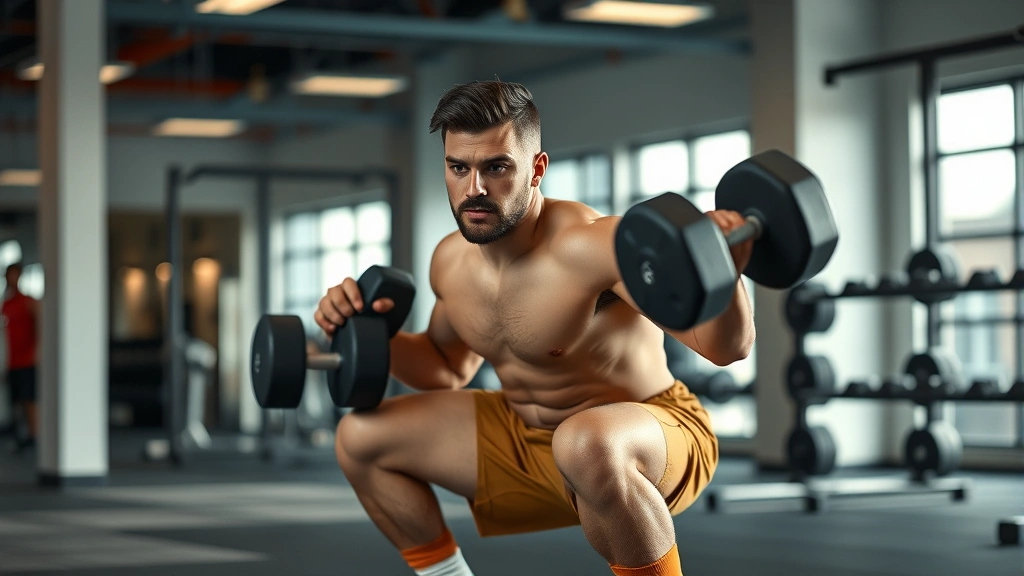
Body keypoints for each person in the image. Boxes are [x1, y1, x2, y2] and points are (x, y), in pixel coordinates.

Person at [315, 81, 755, 576]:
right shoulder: (450, 262)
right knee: (359, 437)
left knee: (584, 442)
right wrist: (361, 332)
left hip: (641, 439)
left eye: (495, 167)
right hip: (524, 438)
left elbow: (726, 348)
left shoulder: (594, 246)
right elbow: (445, 369)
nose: (474, 188)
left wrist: (727, 273)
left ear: (536, 169)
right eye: (458, 167)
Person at [2, 262, 39, 451]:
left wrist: (38, 350)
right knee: (15, 400)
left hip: (28, 358)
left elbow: (39, 325)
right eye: (9, 275)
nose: (12, 278)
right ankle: (19, 435)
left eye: (15, 274)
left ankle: (35, 436)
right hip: (13, 359)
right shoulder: (6, 304)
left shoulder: (28, 301)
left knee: (29, 398)